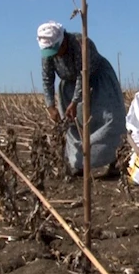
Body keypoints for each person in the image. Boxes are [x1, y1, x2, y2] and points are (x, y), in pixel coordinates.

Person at [37, 20, 127, 177]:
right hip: (70, 86)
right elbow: (47, 78)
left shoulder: (81, 44)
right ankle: (78, 163)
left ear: (63, 40)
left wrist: (74, 101)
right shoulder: (48, 53)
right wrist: (50, 105)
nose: (55, 55)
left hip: (98, 81)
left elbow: (82, 75)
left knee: (109, 118)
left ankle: (115, 160)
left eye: (56, 50)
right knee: (74, 124)